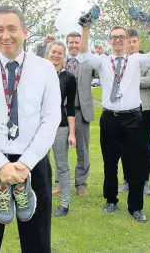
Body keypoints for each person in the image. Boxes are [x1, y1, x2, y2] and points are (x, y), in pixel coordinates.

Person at [0, 5, 61, 252]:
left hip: (32, 163)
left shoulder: (45, 69)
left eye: (11, 28)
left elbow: (51, 119)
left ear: (25, 32)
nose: (5, 35)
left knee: (37, 242)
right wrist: (0, 165)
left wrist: (26, 163)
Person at [76, 14, 150, 222]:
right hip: (110, 119)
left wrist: (149, 28)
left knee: (135, 163)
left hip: (134, 118)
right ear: (110, 41)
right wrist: (85, 29)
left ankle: (135, 207)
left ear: (127, 40)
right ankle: (111, 199)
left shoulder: (136, 60)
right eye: (114, 37)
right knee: (110, 163)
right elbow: (83, 54)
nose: (117, 40)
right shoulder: (103, 61)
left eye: (121, 37)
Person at [118, 29, 150, 196]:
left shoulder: (148, 60)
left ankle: (145, 181)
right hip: (125, 110)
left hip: (144, 109)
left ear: (138, 42)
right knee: (125, 146)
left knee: (144, 147)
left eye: (134, 41)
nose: (131, 44)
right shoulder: (120, 61)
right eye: (129, 41)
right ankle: (127, 180)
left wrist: (129, 78)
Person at [46, 41, 77, 216]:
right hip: (40, 127)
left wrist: (72, 133)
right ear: (48, 53)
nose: (56, 56)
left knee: (62, 166)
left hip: (60, 127)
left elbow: (70, 107)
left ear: (63, 56)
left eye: (60, 53)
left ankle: (64, 204)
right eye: (53, 52)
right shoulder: (39, 74)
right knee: (41, 165)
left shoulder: (69, 78)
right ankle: (41, 199)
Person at [61, 31, 94, 195]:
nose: (74, 45)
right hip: (62, 109)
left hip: (81, 110)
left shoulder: (89, 62)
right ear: (67, 44)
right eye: (71, 42)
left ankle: (81, 183)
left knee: (83, 149)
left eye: (77, 43)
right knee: (60, 148)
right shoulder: (60, 61)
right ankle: (60, 183)